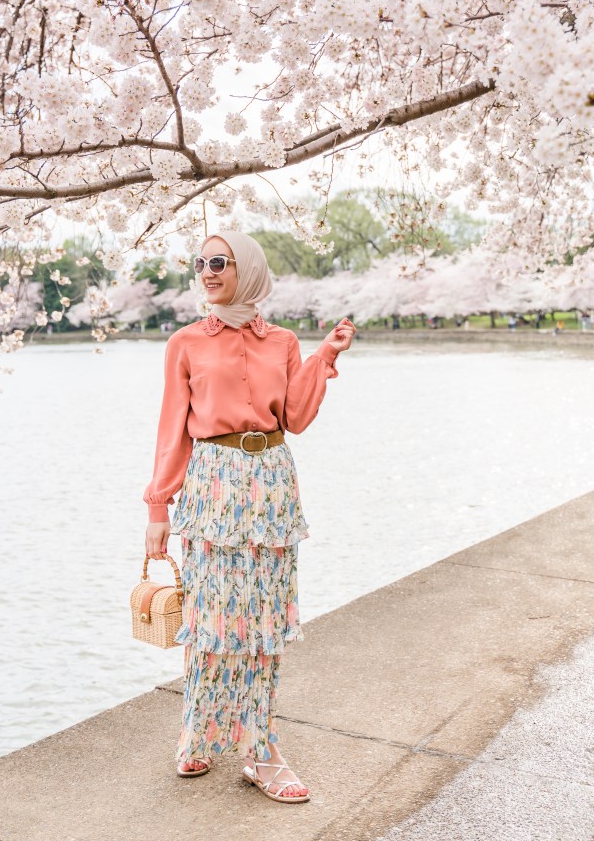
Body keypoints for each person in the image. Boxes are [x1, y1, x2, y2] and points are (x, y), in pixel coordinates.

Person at [143, 231, 355, 804]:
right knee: (210, 616)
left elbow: (296, 416)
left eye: (220, 261)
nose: (207, 271)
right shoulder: (185, 343)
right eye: (200, 263)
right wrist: (159, 506)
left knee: (262, 620)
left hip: (272, 483)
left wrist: (325, 356)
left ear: (249, 269)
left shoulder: (282, 341)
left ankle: (260, 751)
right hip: (211, 485)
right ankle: (198, 733)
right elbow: (171, 429)